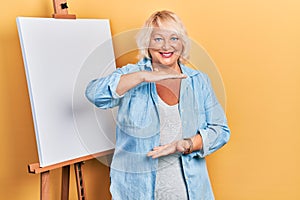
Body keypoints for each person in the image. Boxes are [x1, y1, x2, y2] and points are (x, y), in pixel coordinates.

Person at [86, 10, 230, 200]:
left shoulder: (198, 81)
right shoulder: (132, 75)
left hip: (189, 194)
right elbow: (94, 94)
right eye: (158, 39)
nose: (166, 46)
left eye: (174, 38)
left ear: (182, 43)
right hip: (136, 193)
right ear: (147, 43)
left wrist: (186, 144)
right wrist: (143, 76)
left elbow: (220, 131)